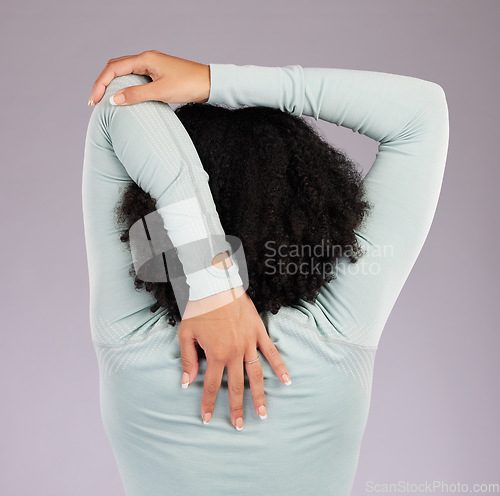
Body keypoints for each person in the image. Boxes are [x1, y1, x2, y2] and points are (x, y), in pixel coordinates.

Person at [82, 51, 449, 496]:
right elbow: (420, 113)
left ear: (151, 202)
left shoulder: (130, 334)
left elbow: (121, 98)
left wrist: (212, 279)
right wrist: (211, 81)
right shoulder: (337, 329)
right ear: (313, 207)